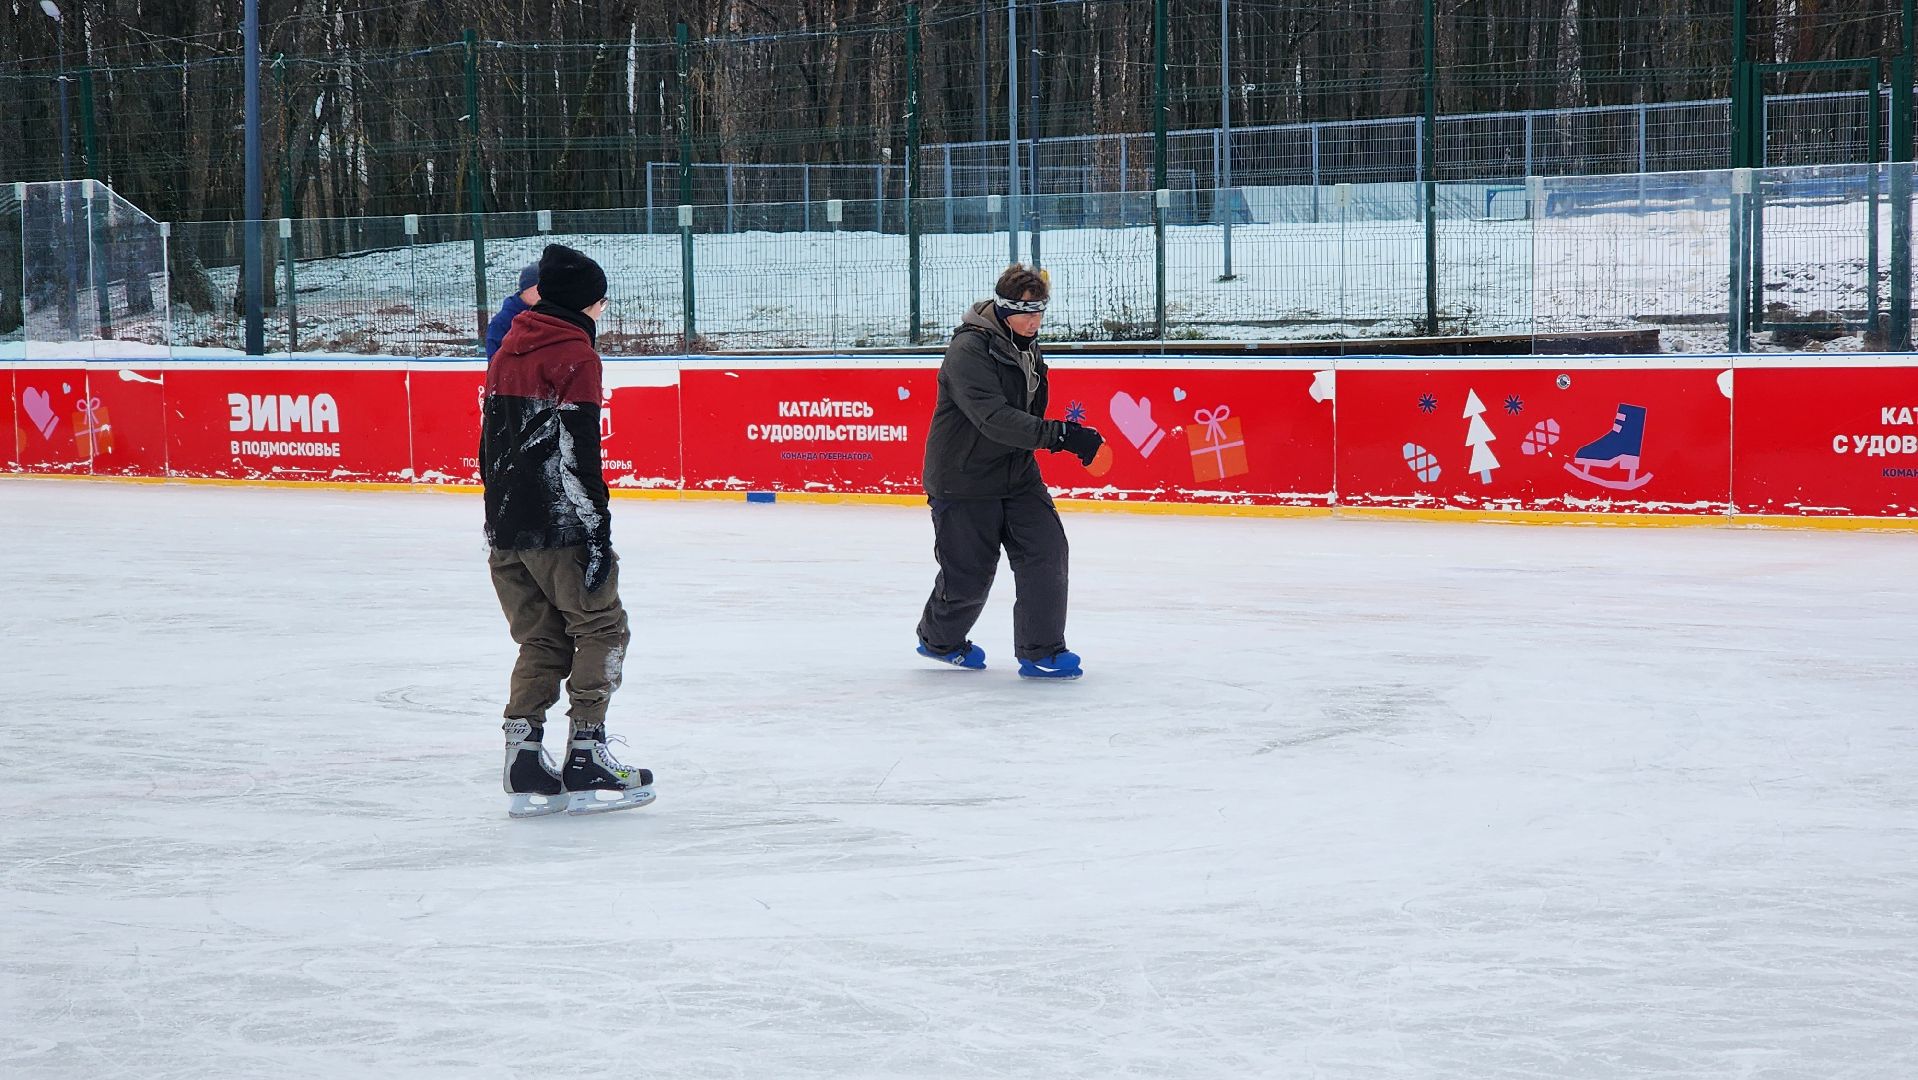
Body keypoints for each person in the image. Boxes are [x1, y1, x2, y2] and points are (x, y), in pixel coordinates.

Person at [481, 243, 653, 816]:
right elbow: (578, 454)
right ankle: (587, 749)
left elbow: (491, 447)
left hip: (507, 526)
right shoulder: (574, 353)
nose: (603, 310)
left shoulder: (509, 345)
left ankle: (524, 753)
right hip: (559, 524)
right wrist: (597, 533)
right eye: (601, 300)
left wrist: (497, 523)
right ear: (582, 302)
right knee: (604, 626)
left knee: (541, 638)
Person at [915, 264, 1104, 680]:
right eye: (1025, 313)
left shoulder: (1026, 345)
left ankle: (1042, 650)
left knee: (1047, 552)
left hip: (1016, 474)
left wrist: (1056, 438)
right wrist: (1063, 436)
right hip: (963, 478)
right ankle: (939, 640)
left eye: (1039, 313)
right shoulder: (968, 351)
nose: (1034, 321)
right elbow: (994, 418)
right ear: (1002, 310)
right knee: (969, 577)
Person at [483, 262, 540, 361]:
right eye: (539, 287)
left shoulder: (549, 314)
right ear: (527, 288)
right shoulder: (502, 321)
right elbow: (494, 362)